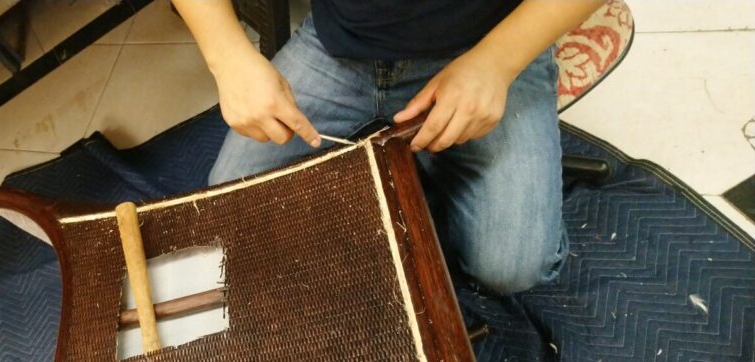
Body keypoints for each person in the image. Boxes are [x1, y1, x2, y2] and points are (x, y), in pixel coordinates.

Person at [171, 0, 605, 295]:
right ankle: (430, 155)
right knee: (230, 216)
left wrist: (498, 62)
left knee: (512, 268)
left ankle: (438, 152)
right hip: (337, 47)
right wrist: (226, 57)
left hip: (488, 40)